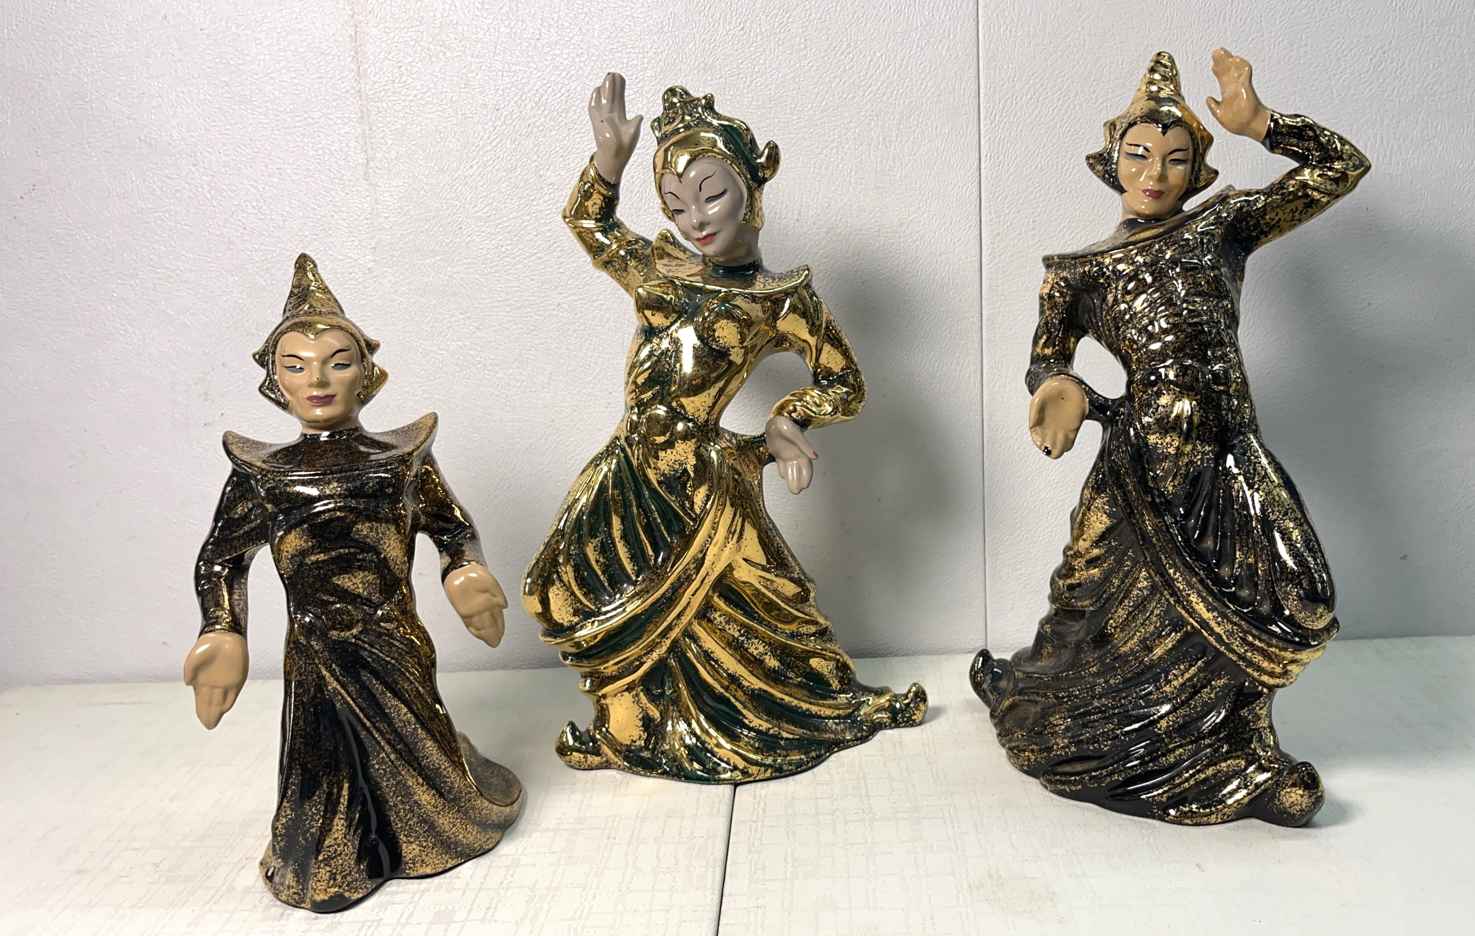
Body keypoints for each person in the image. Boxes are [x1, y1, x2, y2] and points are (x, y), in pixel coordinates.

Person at [971, 50, 1370, 826]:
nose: (1154, 173)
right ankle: (1176, 749)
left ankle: (1232, 736)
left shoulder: (1222, 228)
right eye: (1137, 155)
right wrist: (1063, 389)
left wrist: (1263, 124)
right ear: (1111, 163)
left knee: (1297, 602)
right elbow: (1046, 359)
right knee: (1086, 611)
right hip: (1141, 461)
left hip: (1229, 453)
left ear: (1195, 171)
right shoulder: (1077, 272)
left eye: (1175, 158)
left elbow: (1339, 168)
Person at [523, 74, 927, 783]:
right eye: (676, 205)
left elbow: (844, 383)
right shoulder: (658, 269)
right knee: (563, 587)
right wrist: (608, 165)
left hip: (702, 477)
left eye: (711, 194)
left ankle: (808, 707)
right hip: (629, 467)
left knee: (763, 607)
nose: (695, 220)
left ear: (752, 184)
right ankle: (630, 728)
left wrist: (786, 418)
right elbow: (588, 224)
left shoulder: (780, 300)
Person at [185, 254, 522, 909]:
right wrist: (223, 629)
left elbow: (450, 526)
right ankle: (333, 858)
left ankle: (437, 824)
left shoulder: (399, 462)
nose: (316, 379)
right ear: (274, 381)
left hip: (392, 637)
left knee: (417, 739)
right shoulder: (264, 475)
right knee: (323, 761)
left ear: (365, 374)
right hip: (316, 648)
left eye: (337, 363)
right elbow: (222, 558)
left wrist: (464, 570)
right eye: (296, 366)